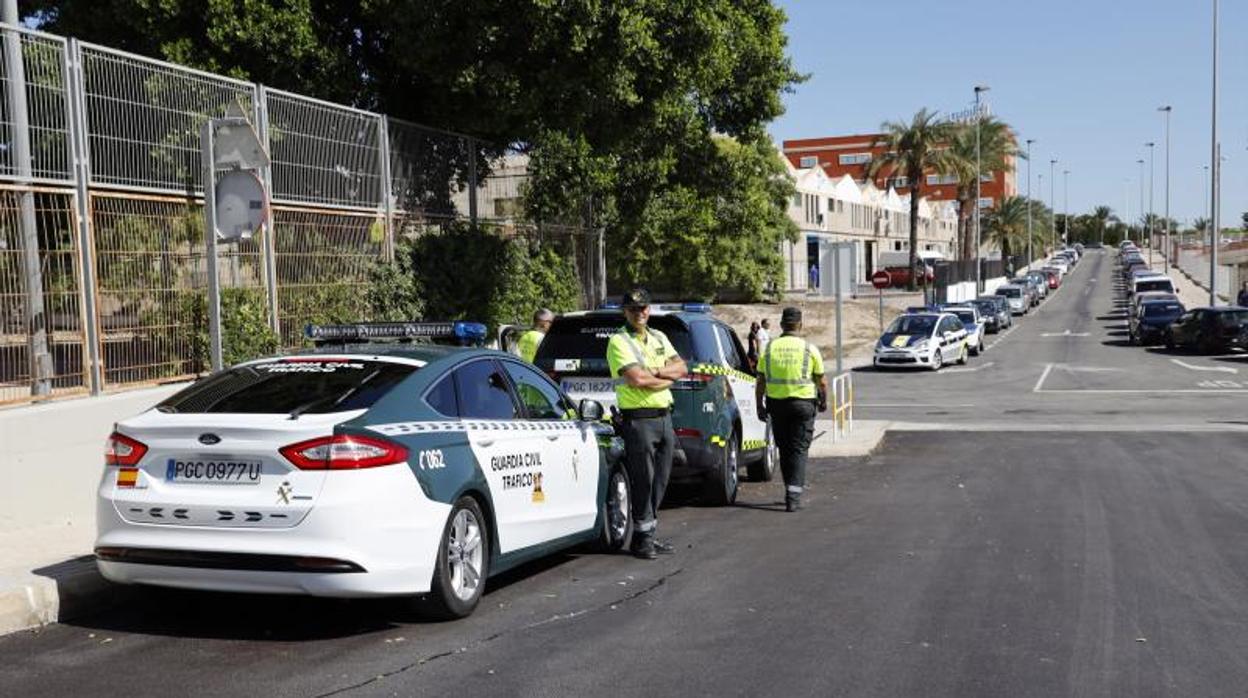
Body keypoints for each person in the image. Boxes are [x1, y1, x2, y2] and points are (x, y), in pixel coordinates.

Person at [606, 288, 687, 559]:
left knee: (661, 480)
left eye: (643, 308)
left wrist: (657, 373)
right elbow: (636, 379)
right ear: (625, 312)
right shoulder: (619, 341)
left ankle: (647, 534)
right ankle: (641, 540)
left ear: (649, 310)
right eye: (633, 309)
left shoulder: (659, 337)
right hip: (639, 421)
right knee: (644, 480)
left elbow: (682, 368)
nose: (639, 313)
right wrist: (665, 377)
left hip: (663, 417)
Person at [755, 307, 827, 512]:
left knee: (784, 448)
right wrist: (824, 401)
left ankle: (790, 490)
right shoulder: (809, 349)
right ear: (800, 325)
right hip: (803, 404)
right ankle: (793, 497)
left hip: (777, 405)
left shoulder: (769, 349)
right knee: (799, 449)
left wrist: (759, 404)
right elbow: (821, 381)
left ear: (780, 325)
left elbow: (760, 381)